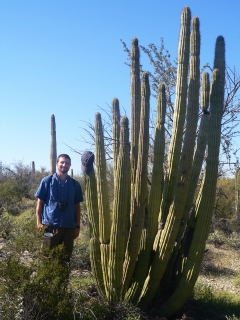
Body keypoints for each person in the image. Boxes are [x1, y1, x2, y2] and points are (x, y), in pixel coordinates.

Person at [35, 154, 83, 262]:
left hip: (68, 227)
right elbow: (40, 203)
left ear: (70, 165)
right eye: (62, 162)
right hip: (50, 227)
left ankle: (63, 279)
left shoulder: (75, 184)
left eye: (67, 163)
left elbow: (77, 207)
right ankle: (47, 279)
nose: (64, 165)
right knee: (48, 258)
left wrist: (77, 226)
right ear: (57, 164)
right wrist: (39, 222)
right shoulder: (47, 181)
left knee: (65, 259)